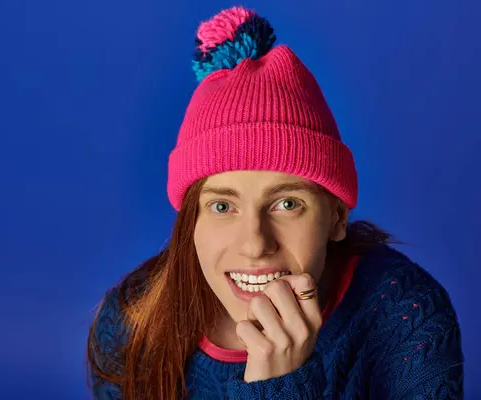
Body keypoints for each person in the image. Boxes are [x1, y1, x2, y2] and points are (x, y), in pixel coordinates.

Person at [86, 6, 464, 399]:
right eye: (222, 206)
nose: (254, 244)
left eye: (287, 205)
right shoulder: (133, 319)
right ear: (190, 223)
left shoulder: (405, 313)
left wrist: (280, 386)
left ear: (336, 217)